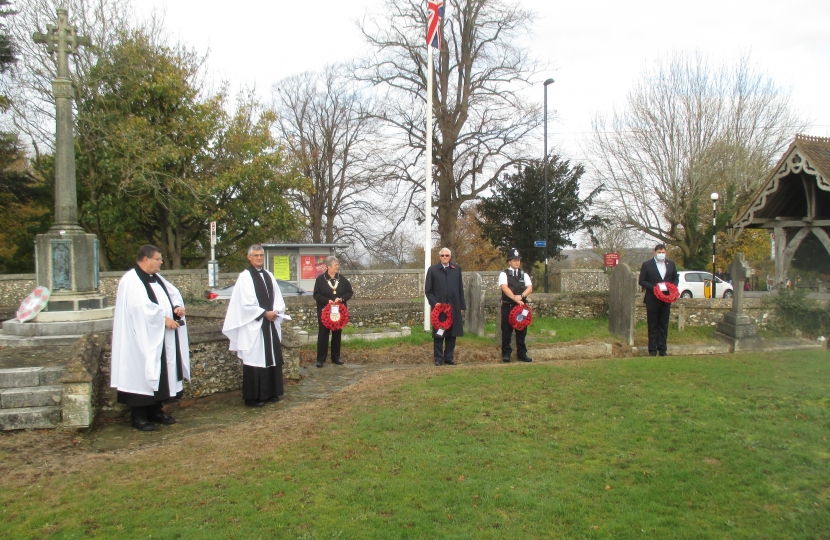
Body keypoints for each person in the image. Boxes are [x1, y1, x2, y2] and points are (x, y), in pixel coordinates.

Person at [111, 244, 190, 432]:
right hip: (139, 339)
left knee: (162, 371)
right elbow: (138, 308)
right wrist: (163, 319)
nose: (161, 262)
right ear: (146, 259)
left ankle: (156, 410)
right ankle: (138, 416)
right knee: (141, 373)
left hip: (161, 336)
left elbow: (173, 295)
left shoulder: (158, 279)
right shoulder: (131, 280)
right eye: (158, 259)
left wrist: (177, 308)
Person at [222, 244, 287, 407]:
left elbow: (278, 297)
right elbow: (246, 303)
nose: (259, 258)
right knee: (256, 359)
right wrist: (265, 313)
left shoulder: (269, 276)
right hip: (254, 325)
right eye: (256, 255)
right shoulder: (245, 277)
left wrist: (276, 311)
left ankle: (272, 392)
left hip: (270, 325)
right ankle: (254, 397)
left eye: (261, 255)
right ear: (249, 257)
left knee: (271, 357)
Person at [425, 247, 466, 366]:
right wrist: (434, 303)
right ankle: (438, 358)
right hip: (439, 308)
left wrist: (462, 306)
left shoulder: (456, 269)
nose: (444, 257)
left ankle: (449, 357)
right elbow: (428, 291)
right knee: (439, 333)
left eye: (446, 255)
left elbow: (460, 289)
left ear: (450, 257)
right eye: (442, 255)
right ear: (439, 257)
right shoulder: (433, 270)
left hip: (453, 306)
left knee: (452, 334)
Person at [638, 243, 679, 357]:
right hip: (652, 299)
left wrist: (672, 287)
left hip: (666, 299)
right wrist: (655, 288)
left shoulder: (670, 264)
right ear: (654, 252)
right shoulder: (647, 265)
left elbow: (675, 278)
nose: (661, 254)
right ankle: (652, 350)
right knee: (653, 324)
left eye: (663, 252)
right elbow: (642, 281)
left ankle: (662, 349)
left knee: (663, 324)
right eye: (659, 252)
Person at [313, 256, 354, 368]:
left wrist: (341, 299)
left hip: (338, 313)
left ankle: (336, 357)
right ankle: (321, 359)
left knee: (337, 334)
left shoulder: (342, 279)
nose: (337, 267)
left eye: (337, 265)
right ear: (329, 266)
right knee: (323, 335)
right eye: (335, 265)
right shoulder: (320, 280)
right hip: (325, 313)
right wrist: (327, 301)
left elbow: (350, 292)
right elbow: (316, 295)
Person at [498, 247, 533, 363]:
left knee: (522, 329)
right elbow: (504, 287)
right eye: (514, 260)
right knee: (507, 329)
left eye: (518, 260)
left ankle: (522, 353)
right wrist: (514, 298)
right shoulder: (504, 274)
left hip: (521, 306)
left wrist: (521, 296)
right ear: (509, 261)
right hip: (508, 306)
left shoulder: (524, 274)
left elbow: (530, 288)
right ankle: (506, 353)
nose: (517, 262)